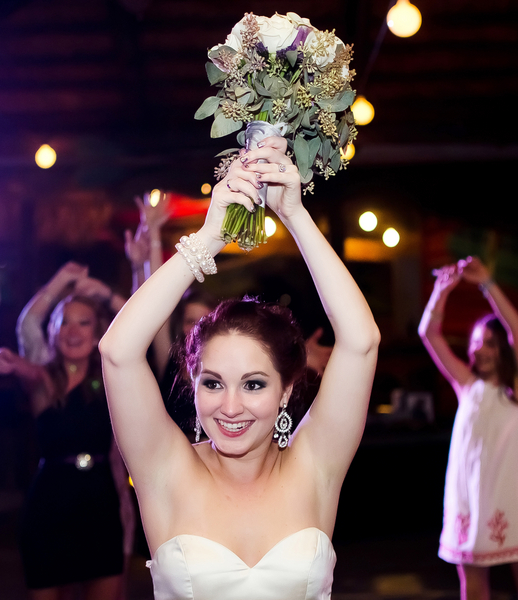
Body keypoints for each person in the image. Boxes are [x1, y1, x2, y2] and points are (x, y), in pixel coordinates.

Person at [99, 137, 380, 600]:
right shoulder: (166, 470)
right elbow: (117, 352)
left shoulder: (316, 464)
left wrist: (293, 214)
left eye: (253, 384)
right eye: (213, 382)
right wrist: (210, 236)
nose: (230, 407)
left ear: (287, 390)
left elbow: (362, 341)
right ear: (193, 384)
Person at [418, 256, 518, 600]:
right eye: (477, 341)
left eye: (490, 342)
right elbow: (428, 333)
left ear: (503, 349)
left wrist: (487, 285)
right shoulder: (467, 385)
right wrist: (441, 291)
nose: (480, 349)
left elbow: (517, 330)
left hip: (515, 500)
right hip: (473, 501)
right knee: (474, 589)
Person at [0, 275, 132, 600]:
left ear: (99, 331)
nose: (73, 331)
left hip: (100, 509)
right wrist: (60, 281)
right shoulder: (44, 379)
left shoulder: (112, 377)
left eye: (83, 323)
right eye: (64, 323)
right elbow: (27, 328)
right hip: (49, 510)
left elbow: (138, 323)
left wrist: (104, 292)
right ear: (53, 333)